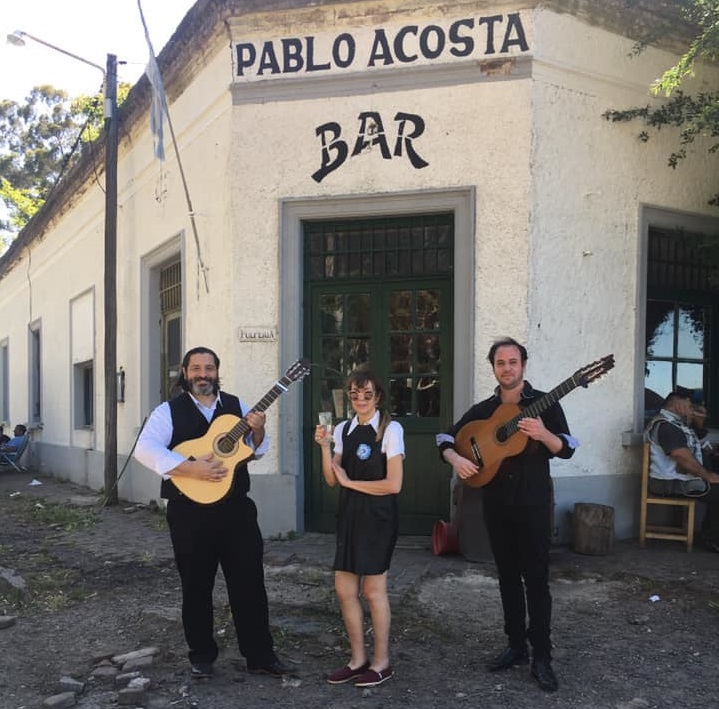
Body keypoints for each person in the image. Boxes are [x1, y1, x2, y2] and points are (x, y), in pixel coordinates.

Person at [134, 346, 290, 679]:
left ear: (217, 371)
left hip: (236, 510)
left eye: (209, 368)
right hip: (189, 512)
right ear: (185, 372)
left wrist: (258, 430)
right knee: (196, 585)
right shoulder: (167, 412)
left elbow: (255, 451)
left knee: (249, 583)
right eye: (196, 368)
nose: (203, 374)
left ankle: (260, 655)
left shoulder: (236, 407)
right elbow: (145, 450)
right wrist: (191, 469)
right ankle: (202, 655)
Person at [436, 337, 577, 693]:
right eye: (501, 363)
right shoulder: (484, 410)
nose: (507, 368)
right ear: (494, 368)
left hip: (532, 504)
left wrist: (544, 434)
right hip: (496, 504)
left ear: (523, 366)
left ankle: (541, 656)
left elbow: (568, 448)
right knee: (507, 578)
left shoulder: (544, 403)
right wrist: (457, 458)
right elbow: (445, 437)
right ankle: (515, 646)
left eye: (513, 362)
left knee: (537, 580)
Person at [313, 368, 404, 688]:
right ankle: (358, 660)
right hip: (349, 515)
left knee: (372, 590)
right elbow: (329, 478)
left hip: (378, 518)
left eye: (367, 394)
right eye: (354, 394)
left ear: (378, 396)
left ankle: (382, 662)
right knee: (344, 590)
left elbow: (394, 485)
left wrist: (352, 483)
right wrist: (324, 448)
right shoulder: (342, 429)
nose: (360, 399)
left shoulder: (391, 429)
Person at [645, 390, 719, 551]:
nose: (692, 409)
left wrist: (698, 422)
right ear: (678, 404)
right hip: (667, 481)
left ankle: (710, 534)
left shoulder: (677, 423)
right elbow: (679, 454)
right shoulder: (665, 424)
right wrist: (707, 475)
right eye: (690, 405)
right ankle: (712, 538)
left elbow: (694, 444)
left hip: (680, 478)